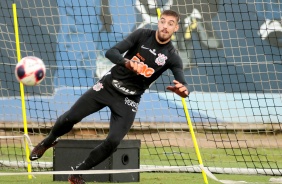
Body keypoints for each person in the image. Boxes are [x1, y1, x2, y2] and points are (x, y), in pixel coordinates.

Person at [29, 9, 189, 184]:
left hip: (129, 100)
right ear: (158, 22)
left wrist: (183, 91)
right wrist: (127, 63)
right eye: (163, 21)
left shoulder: (172, 57)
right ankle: (48, 141)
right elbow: (111, 52)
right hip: (107, 86)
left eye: (170, 24)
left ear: (176, 28)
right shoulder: (142, 35)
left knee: (113, 142)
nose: (165, 26)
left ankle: (77, 174)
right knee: (70, 117)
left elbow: (183, 84)